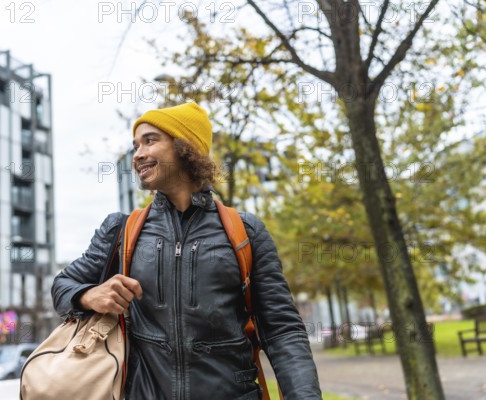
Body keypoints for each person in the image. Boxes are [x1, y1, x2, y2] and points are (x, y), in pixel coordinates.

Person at [52, 102, 321, 399]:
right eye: (135, 145)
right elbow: (63, 285)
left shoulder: (246, 232)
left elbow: (282, 330)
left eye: (150, 140)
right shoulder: (121, 230)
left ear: (185, 147)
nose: (137, 154)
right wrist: (89, 295)